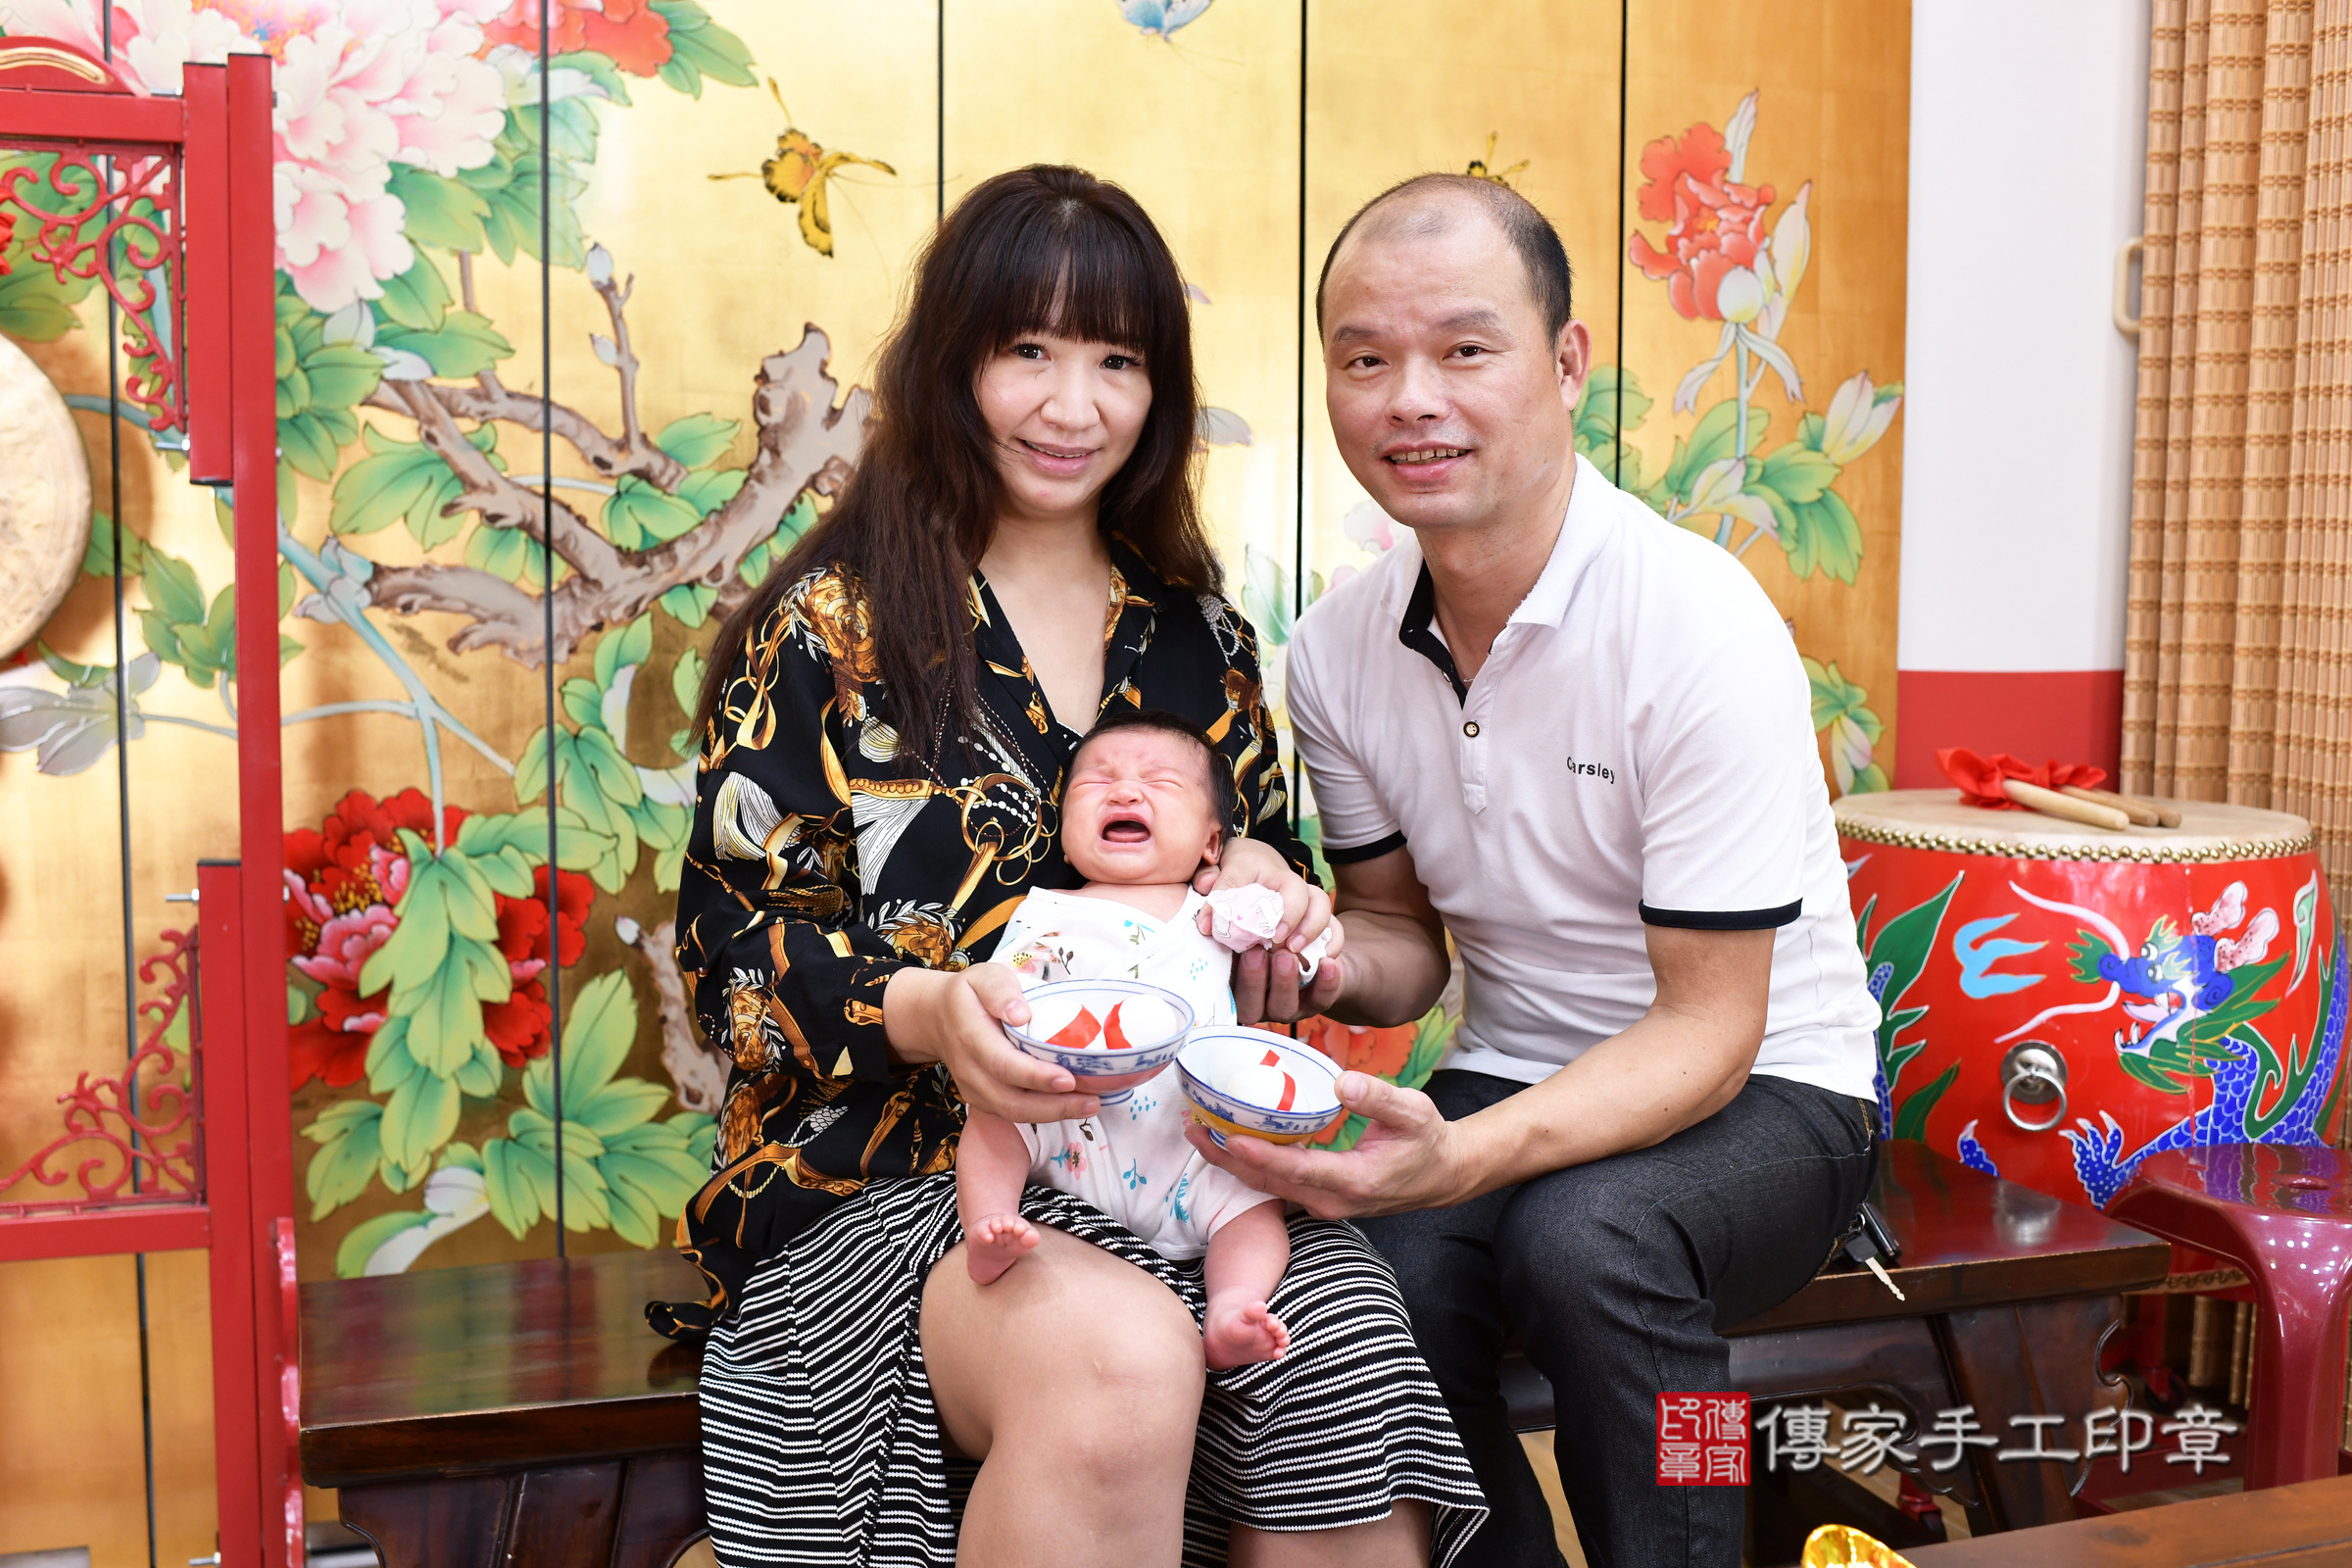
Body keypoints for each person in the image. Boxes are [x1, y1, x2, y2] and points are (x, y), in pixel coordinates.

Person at [658, 164, 1485, 1567]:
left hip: (1182, 1164)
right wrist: (930, 1012)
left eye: (1117, 360)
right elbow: (731, 965)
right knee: (1118, 1361)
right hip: (891, 1182)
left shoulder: (1202, 643)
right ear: (951, 364)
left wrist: (1277, 905)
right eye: (1027, 351)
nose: (1073, 405)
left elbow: (1263, 910)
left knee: (1342, 1355)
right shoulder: (828, 632)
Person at [1191, 172, 1883, 1568]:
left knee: (1589, 1242)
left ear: (1567, 362)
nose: (1411, 401)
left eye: (1465, 348)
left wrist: (1457, 1155)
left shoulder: (1696, 623)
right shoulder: (1336, 652)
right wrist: (1315, 952)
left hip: (1776, 1089)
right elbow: (1401, 941)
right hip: (1513, 1066)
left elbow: (1710, 1029)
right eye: (1365, 361)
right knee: (1371, 1274)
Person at [958, 708, 1300, 1374]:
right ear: (1065, 833)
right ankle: (988, 1227)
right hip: (1068, 1126)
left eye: (1159, 781)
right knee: (994, 1121)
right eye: (1097, 781)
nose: (1123, 791)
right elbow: (1006, 995)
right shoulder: (1045, 909)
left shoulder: (1217, 911)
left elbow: (1296, 943)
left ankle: (1233, 1305)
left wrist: (1281, 908)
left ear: (1211, 842)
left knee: (1256, 1206)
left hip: (1192, 1145)